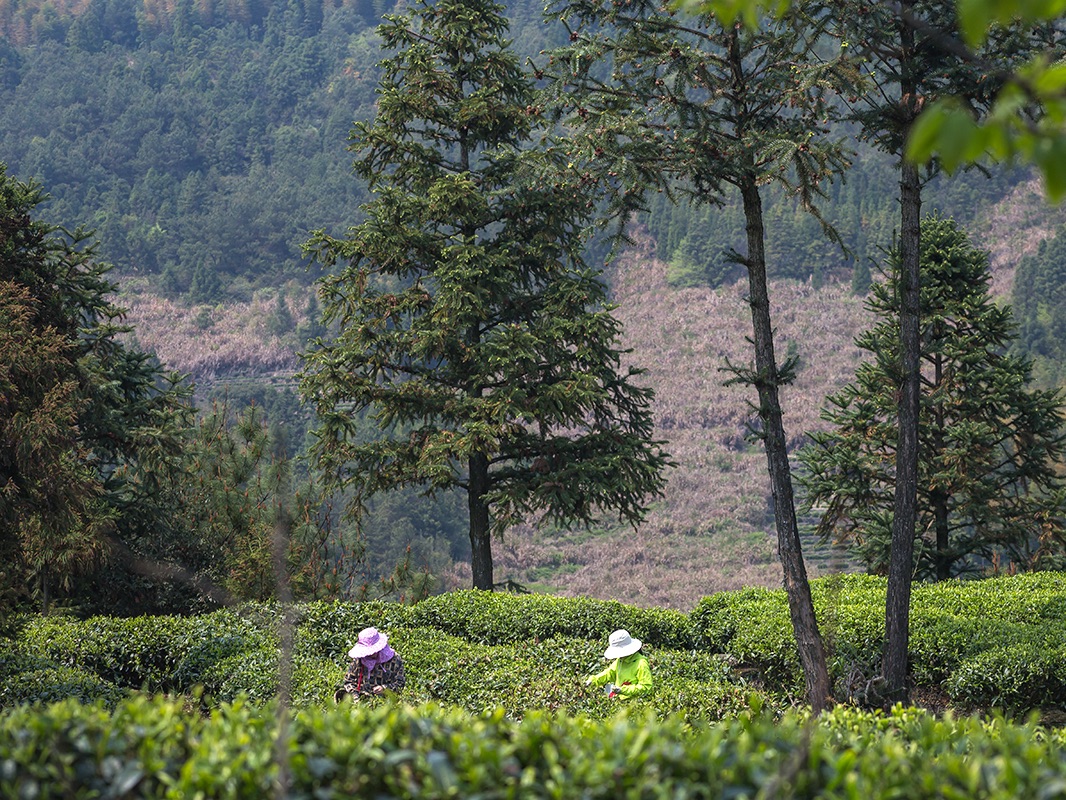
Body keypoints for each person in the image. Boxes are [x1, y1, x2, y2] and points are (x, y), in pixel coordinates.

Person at [333, 627, 406, 702]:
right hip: (361, 699)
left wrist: (384, 688)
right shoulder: (359, 659)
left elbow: (400, 683)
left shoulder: (394, 659)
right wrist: (355, 696)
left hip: (384, 701)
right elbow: (349, 681)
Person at [585, 629, 652, 699]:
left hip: (633, 704)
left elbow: (646, 686)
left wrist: (623, 690)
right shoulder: (620, 661)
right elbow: (609, 673)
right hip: (619, 700)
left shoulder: (641, 663)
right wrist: (593, 680)